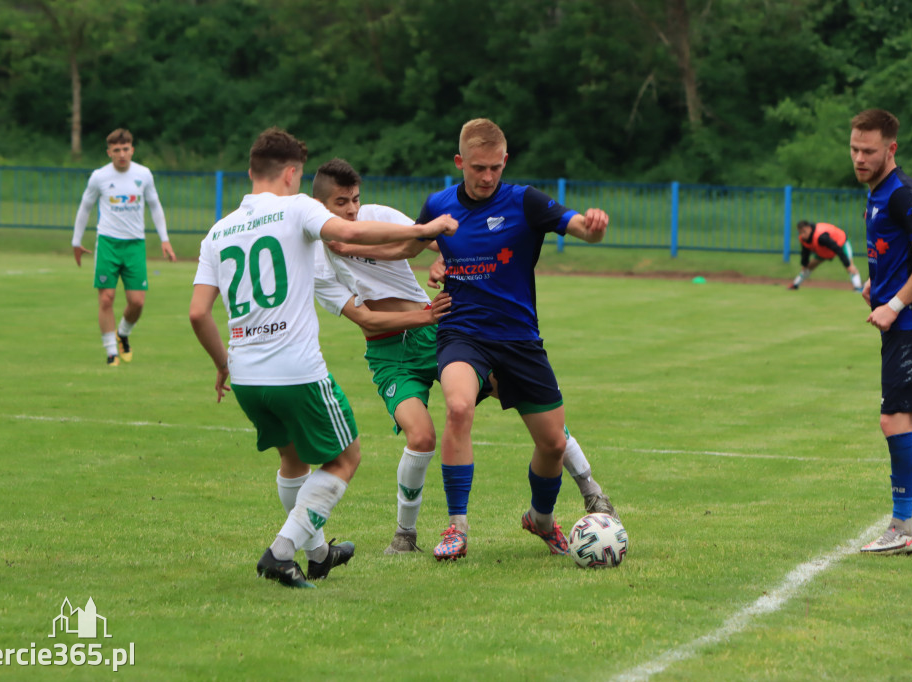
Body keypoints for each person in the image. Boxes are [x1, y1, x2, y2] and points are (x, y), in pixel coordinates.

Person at [188, 127, 457, 588]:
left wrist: (222, 364)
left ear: (252, 171)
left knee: (292, 462)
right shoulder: (297, 209)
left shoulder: (218, 229)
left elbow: (197, 313)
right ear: (292, 173)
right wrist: (425, 229)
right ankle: (281, 550)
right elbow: (349, 233)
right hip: (294, 369)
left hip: (246, 374)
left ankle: (320, 552)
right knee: (345, 456)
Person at [313, 158, 617, 555]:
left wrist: (443, 260)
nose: (352, 210)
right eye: (341, 203)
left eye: (355, 199)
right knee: (420, 436)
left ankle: (588, 486)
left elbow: (434, 238)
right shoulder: (316, 259)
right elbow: (366, 320)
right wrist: (422, 313)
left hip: (435, 333)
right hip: (391, 352)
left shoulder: (377, 217)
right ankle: (406, 535)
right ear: (320, 206)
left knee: (526, 396)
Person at [416, 118, 610, 561]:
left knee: (553, 443)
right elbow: (417, 239)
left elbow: (577, 226)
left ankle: (540, 519)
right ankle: (456, 527)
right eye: (478, 168)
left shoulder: (524, 201)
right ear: (459, 162)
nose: (487, 178)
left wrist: (593, 228)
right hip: (462, 332)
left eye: (495, 168)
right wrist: (438, 258)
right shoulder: (439, 203)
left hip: (519, 338)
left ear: (506, 162)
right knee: (459, 406)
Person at [850, 109, 912, 559]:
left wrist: (894, 304)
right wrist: (878, 285)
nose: (860, 158)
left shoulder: (904, 194)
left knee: (895, 418)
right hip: (911, 321)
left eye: (869, 150)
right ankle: (904, 528)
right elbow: (897, 253)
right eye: (854, 149)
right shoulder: (878, 193)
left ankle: (902, 527)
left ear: (891, 149)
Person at [72, 128, 177, 366]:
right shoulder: (99, 176)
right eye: (116, 150)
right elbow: (85, 208)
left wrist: (165, 239)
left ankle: (123, 333)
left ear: (132, 150)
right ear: (109, 152)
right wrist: (76, 242)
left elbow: (155, 205)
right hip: (108, 242)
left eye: (126, 149)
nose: (122, 154)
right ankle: (111, 352)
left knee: (137, 301)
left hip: (135, 245)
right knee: (106, 299)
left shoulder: (144, 174)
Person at [789, 220, 863, 291]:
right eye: (800, 232)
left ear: (809, 228)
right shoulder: (803, 239)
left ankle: (858, 287)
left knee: (850, 266)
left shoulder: (821, 237)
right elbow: (805, 252)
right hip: (823, 250)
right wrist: (804, 264)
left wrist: (847, 264)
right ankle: (795, 285)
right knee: (807, 267)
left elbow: (836, 248)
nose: (802, 235)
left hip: (841, 243)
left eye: (804, 232)